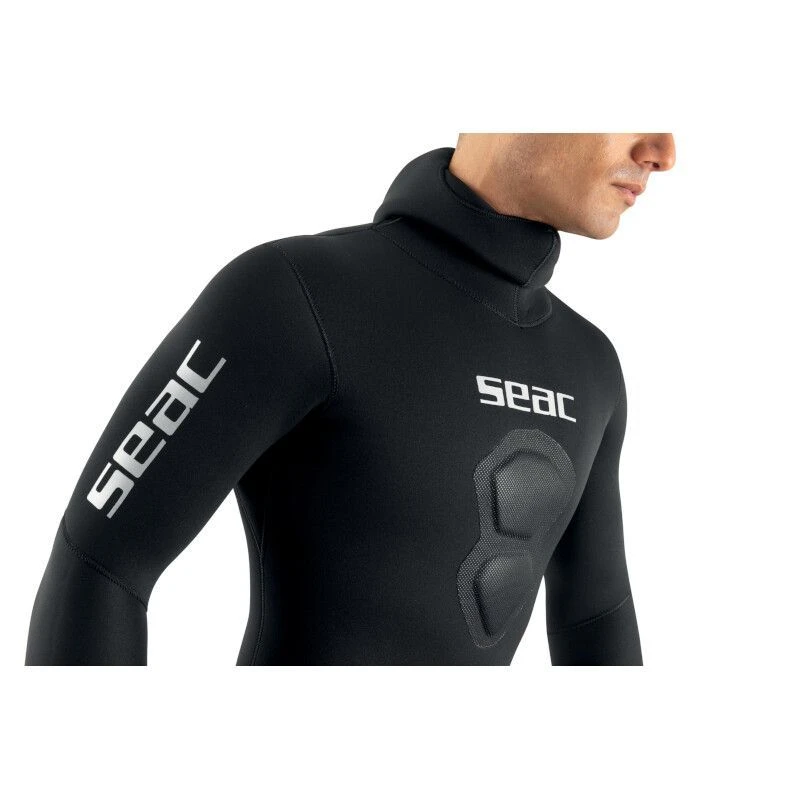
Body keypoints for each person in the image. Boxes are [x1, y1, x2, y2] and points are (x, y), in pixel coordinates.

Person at [25, 133, 676, 665]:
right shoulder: (296, 297)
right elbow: (100, 568)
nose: (663, 151)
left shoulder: (592, 366)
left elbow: (597, 622)